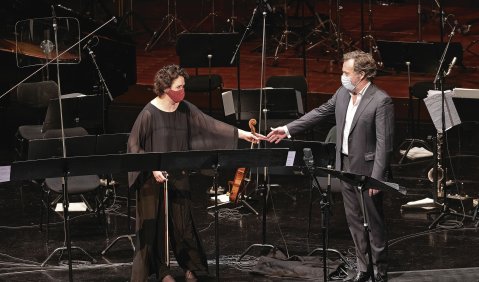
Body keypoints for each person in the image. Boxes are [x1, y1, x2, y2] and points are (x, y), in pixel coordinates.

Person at [266, 51, 394, 282]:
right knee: (354, 220)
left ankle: (379, 270)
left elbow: (385, 144)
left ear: (361, 74)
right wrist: (287, 129)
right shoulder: (342, 94)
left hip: (366, 170)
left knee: (373, 222)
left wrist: (378, 177)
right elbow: (319, 113)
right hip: (343, 165)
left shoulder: (380, 100)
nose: (342, 76)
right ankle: (363, 269)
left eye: (346, 72)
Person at [128, 64, 261, 282]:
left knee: (183, 224)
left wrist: (243, 134)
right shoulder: (148, 113)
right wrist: (152, 167)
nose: (183, 90)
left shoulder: (185, 108)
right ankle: (162, 271)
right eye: (178, 87)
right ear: (165, 88)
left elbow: (210, 124)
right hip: (151, 179)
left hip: (177, 174)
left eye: (183, 86)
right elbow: (133, 146)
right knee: (155, 227)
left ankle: (190, 266)